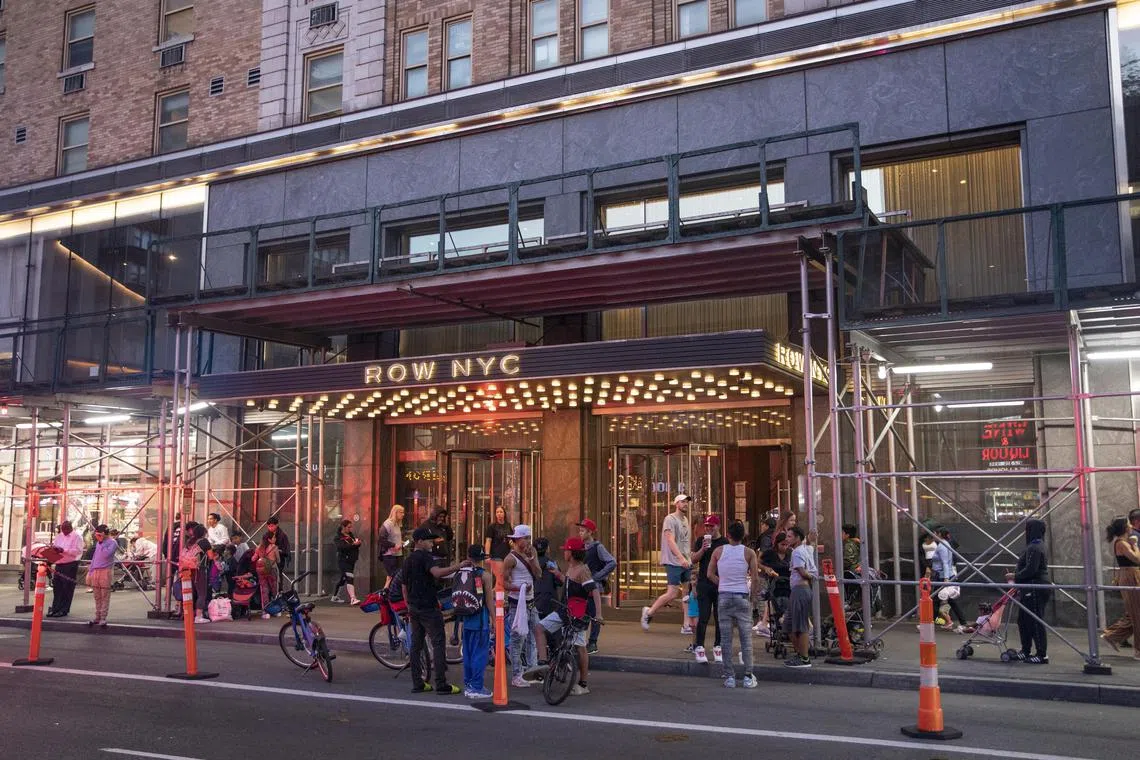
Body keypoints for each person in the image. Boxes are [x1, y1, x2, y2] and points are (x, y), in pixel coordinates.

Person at [535, 536, 603, 696]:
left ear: (571, 553)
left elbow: (594, 591)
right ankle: (543, 663)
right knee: (539, 628)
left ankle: (583, 683)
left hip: (577, 615)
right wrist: (558, 574)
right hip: (564, 610)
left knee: (580, 648)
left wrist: (598, 614)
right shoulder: (571, 567)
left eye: (566, 550)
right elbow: (570, 584)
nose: (564, 552)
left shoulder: (582, 570)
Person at [403, 526, 466, 695]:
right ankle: (441, 684)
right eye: (429, 540)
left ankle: (418, 683)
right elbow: (437, 573)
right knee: (438, 643)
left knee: (416, 645)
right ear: (419, 541)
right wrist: (457, 566)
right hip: (428, 607)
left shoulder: (408, 560)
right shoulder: (425, 557)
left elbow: (403, 584)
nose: (432, 543)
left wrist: (408, 604)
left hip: (414, 607)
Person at [708, 520, 759, 688]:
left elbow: (710, 574)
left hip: (723, 596)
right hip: (742, 595)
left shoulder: (718, 551)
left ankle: (729, 676)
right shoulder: (749, 553)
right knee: (746, 639)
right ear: (743, 535)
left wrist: (721, 582)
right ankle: (748, 676)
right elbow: (756, 578)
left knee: (726, 639)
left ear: (728, 535)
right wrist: (753, 598)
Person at [641, 494, 692, 631]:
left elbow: (684, 541)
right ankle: (649, 612)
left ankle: (686, 624)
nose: (685, 504)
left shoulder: (685, 520)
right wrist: (680, 558)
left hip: (685, 561)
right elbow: (670, 540)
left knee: (686, 592)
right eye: (682, 502)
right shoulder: (670, 519)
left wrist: (687, 557)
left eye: (686, 502)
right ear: (676, 504)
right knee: (672, 593)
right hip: (674, 561)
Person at [502, 524, 543, 688]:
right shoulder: (510, 558)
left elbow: (538, 574)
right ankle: (517, 674)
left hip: (531, 602)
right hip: (516, 603)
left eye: (528, 538)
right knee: (517, 639)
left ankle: (531, 671)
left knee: (535, 635)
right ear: (517, 539)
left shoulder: (531, 554)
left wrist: (532, 560)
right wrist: (519, 588)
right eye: (525, 538)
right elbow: (503, 583)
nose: (527, 541)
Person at [1007, 519, 1050, 664]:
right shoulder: (1036, 545)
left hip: (1035, 587)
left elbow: (1031, 569)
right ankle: (1026, 650)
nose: (1025, 532)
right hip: (1030, 587)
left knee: (1034, 620)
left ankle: (1041, 654)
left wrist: (1015, 576)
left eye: (1027, 529)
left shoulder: (1035, 547)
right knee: (1024, 620)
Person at [691, 514, 728, 664]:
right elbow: (693, 559)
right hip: (704, 583)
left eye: (711, 526)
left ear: (718, 526)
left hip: (720, 583)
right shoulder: (701, 540)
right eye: (706, 526)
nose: (708, 529)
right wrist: (703, 549)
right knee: (704, 617)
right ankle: (699, 646)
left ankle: (717, 646)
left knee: (720, 618)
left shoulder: (724, 542)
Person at [1101, 517, 1140, 659]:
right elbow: (1137, 559)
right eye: (1129, 523)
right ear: (1125, 527)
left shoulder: (1124, 542)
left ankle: (1111, 636)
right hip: (1130, 576)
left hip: (1131, 575)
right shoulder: (1122, 543)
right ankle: (1138, 650)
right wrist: (1135, 545)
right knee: (1136, 614)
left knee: (1133, 613)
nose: (1131, 526)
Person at [459, 544, 494, 699]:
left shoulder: (460, 573)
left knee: (468, 654)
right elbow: (489, 601)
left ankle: (468, 684)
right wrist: (493, 619)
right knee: (479, 655)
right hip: (480, 621)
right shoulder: (485, 575)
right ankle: (477, 687)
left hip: (466, 620)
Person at [578, 518, 615, 654]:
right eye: (580, 531)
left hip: (593, 585)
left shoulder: (597, 547)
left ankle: (593, 642)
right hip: (582, 585)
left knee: (594, 614)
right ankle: (580, 641)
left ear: (590, 532)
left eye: (582, 531)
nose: (580, 533)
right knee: (582, 613)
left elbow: (612, 562)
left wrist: (598, 576)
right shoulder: (581, 547)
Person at [784, 526, 817, 668]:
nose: (787, 539)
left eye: (790, 536)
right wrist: (812, 540)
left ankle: (804, 658)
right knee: (788, 623)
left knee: (800, 625)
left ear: (797, 538)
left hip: (800, 590)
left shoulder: (797, 553)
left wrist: (812, 577)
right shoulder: (805, 549)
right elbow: (812, 546)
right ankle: (800, 654)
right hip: (799, 590)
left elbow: (803, 572)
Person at [929, 526, 972, 633]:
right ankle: (962, 623)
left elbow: (945, 563)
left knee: (934, 601)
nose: (932, 535)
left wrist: (946, 578)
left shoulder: (942, 546)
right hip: (944, 576)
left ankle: (930, 623)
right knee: (951, 601)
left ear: (938, 534)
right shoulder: (944, 544)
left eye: (934, 533)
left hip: (943, 577)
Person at [756, 531, 791, 636]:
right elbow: (758, 562)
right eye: (782, 544)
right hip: (774, 583)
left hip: (788, 583)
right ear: (777, 544)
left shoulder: (791, 553)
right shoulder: (770, 553)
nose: (784, 547)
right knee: (773, 601)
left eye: (786, 544)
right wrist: (766, 568)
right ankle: (767, 622)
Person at [47, 520, 83, 618]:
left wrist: (64, 550)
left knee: (67, 588)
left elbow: (78, 551)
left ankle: (64, 609)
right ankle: (55, 608)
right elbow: (55, 547)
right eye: (62, 529)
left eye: (66, 529)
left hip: (70, 564)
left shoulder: (77, 537)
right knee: (57, 588)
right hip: (59, 564)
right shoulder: (59, 536)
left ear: (70, 527)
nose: (64, 531)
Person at [180, 524, 214, 624]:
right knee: (202, 593)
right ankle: (199, 616)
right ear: (204, 533)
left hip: (187, 570)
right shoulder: (204, 542)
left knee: (190, 592)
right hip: (199, 570)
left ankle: (188, 614)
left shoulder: (189, 542)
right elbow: (211, 556)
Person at [86, 524, 118, 627]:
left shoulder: (112, 543)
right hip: (96, 571)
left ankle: (103, 617)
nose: (97, 536)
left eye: (99, 534)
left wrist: (101, 542)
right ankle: (97, 616)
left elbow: (106, 555)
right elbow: (95, 557)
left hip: (106, 571)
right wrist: (90, 572)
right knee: (97, 596)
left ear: (104, 533)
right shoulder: (99, 543)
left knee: (105, 595)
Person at [331, 519, 362, 605]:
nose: (350, 529)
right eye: (348, 527)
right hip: (343, 560)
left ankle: (334, 596)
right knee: (350, 577)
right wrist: (353, 545)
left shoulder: (350, 535)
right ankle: (353, 598)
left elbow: (354, 544)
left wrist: (358, 543)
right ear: (343, 527)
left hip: (351, 560)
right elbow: (342, 547)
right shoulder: (338, 537)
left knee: (343, 579)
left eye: (351, 527)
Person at [533, 537, 563, 619]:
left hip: (534, 603)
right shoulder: (552, 563)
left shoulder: (529, 563)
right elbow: (560, 582)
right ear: (547, 549)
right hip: (551, 603)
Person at [254, 532, 281, 619]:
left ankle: (265, 612)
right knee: (274, 591)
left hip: (261, 571)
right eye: (273, 537)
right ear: (269, 539)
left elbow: (253, 558)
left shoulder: (259, 548)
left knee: (264, 591)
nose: (275, 539)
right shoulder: (274, 547)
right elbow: (278, 560)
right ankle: (276, 611)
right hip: (272, 570)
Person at [379, 504, 405, 588]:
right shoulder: (388, 524)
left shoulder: (397, 524)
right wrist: (394, 545)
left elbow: (393, 538)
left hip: (397, 554)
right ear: (395, 513)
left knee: (392, 577)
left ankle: (385, 593)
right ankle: (390, 595)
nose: (403, 514)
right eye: (401, 512)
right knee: (394, 576)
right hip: (389, 555)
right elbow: (382, 540)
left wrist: (400, 542)